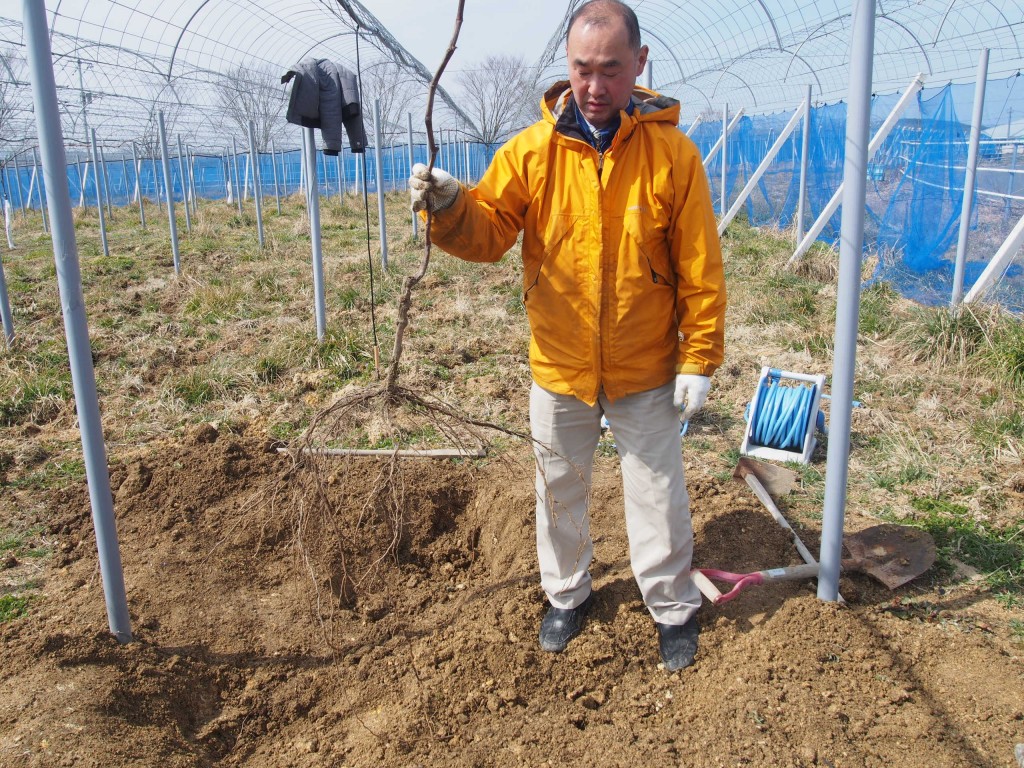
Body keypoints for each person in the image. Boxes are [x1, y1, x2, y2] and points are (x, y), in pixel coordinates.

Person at [409, 0, 725, 671]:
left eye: (612, 69)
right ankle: (566, 595)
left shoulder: (674, 157)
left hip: (645, 364)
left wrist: (698, 357)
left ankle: (670, 605)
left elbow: (701, 265)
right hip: (560, 362)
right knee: (558, 488)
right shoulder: (532, 151)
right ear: (568, 66)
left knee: (657, 493)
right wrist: (450, 205)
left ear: (639, 64)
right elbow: (490, 231)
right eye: (583, 68)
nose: (596, 85)